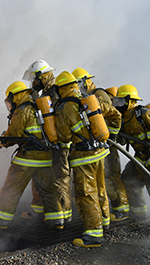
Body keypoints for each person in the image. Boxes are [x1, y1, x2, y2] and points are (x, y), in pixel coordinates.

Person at [0, 80, 64, 232]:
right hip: (45, 157)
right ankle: (57, 220)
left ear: (15, 96)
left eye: (10, 99)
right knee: (49, 190)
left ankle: (1, 222)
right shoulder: (39, 106)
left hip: (28, 158)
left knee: (11, 189)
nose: (10, 103)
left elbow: (13, 136)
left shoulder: (22, 110)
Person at [54, 71, 110, 248]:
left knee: (86, 194)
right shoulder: (86, 98)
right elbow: (113, 113)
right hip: (99, 152)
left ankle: (94, 235)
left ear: (61, 88)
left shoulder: (64, 107)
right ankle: (105, 222)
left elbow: (63, 136)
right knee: (100, 188)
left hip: (83, 157)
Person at [72, 68, 128, 221]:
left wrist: (112, 136)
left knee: (112, 177)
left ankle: (122, 209)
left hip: (107, 142)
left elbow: (110, 115)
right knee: (104, 180)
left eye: (78, 83)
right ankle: (110, 212)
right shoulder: (89, 96)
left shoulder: (99, 94)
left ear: (85, 81)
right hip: (101, 143)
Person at [23, 60, 72, 223]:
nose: (33, 83)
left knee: (60, 179)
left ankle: (64, 216)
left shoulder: (55, 91)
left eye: (35, 79)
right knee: (43, 178)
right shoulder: (47, 92)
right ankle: (43, 213)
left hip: (59, 143)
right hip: (50, 142)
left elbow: (59, 118)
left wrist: (58, 140)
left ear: (41, 77)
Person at [113, 84, 150, 221]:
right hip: (140, 158)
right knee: (128, 180)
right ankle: (139, 216)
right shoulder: (123, 119)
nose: (118, 104)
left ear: (131, 101)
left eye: (121, 101)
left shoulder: (144, 114)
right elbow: (122, 141)